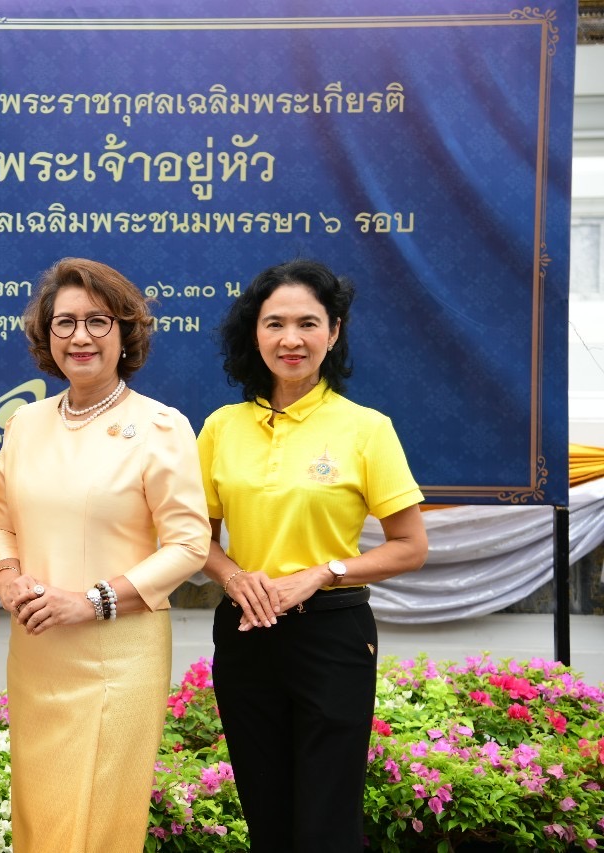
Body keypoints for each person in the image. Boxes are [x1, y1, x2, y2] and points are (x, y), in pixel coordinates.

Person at [197, 258, 428, 851]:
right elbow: (195, 538)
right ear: (256, 333)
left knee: (326, 822)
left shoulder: (366, 429)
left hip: (333, 634)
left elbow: (410, 547)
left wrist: (323, 573)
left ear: (335, 331)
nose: (291, 339)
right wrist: (231, 575)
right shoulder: (222, 427)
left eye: (307, 323)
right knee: (266, 816)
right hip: (246, 631)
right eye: (275, 323)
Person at [0, 257, 212, 851]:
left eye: (97, 321)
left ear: (125, 332)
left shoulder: (161, 426)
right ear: (46, 335)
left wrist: (93, 601)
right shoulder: (26, 424)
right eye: (64, 323)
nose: (79, 336)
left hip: (118, 653)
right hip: (36, 649)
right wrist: (7, 578)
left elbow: (189, 544)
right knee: (42, 808)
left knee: (100, 815)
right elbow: (0, 522)